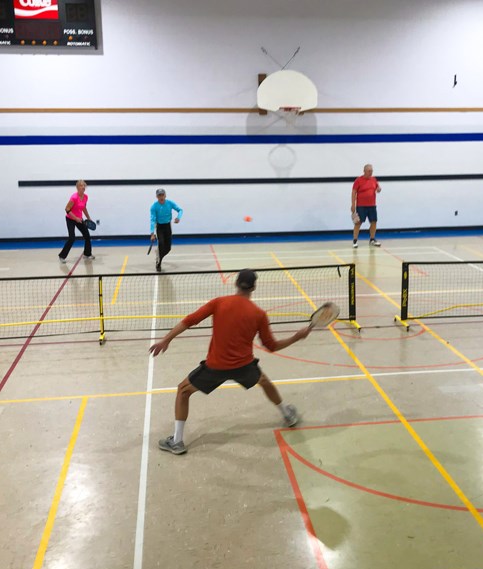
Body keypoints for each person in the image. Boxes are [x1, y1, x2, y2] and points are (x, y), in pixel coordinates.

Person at [148, 269, 312, 454]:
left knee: (183, 391)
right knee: (265, 382)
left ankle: (177, 441)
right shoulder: (259, 314)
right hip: (244, 367)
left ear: (236, 283)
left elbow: (189, 321)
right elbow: (272, 346)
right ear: (254, 287)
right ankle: (287, 415)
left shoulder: (219, 303)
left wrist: (166, 340)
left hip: (215, 367)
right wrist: (297, 337)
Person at [58, 180, 94, 263]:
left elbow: (84, 208)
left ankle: (87, 254)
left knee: (87, 236)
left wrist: (88, 217)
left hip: (79, 219)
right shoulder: (74, 197)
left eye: (84, 185)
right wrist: (75, 218)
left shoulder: (85, 197)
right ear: (77, 187)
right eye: (81, 185)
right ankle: (62, 256)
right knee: (72, 238)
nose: (83, 187)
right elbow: (67, 209)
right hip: (70, 218)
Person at [150, 188, 183, 272]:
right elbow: (153, 219)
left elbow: (180, 210)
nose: (161, 197)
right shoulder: (154, 207)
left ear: (165, 195)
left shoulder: (170, 203)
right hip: (159, 227)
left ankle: (158, 255)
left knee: (168, 248)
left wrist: (178, 218)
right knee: (161, 243)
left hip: (167, 226)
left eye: (162, 195)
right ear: (157, 197)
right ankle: (159, 263)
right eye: (159, 195)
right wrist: (152, 233)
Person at [351, 163, 382, 248]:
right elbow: (353, 192)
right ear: (364, 171)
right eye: (369, 171)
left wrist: (379, 189)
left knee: (374, 221)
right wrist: (353, 204)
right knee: (358, 223)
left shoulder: (374, 179)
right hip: (361, 206)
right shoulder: (358, 180)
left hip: (372, 205)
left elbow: (377, 188)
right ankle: (355, 240)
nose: (370, 172)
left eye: (371, 171)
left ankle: (372, 239)